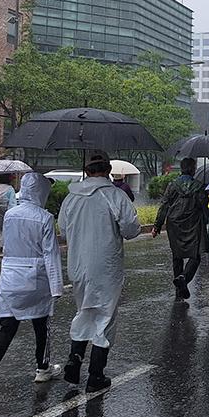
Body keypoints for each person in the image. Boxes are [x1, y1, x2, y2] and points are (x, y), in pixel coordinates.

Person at [0, 172, 63, 398]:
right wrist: (57, 287)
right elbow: (51, 254)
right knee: (41, 325)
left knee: (7, 328)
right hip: (36, 278)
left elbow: (6, 244)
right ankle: (43, 368)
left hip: (9, 278)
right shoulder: (45, 218)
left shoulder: (10, 215)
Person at [59, 151, 141, 393]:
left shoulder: (71, 197)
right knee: (105, 315)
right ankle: (96, 374)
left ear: (87, 171)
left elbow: (62, 229)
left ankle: (74, 360)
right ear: (108, 170)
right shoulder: (114, 196)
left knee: (84, 311)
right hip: (106, 267)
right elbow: (131, 229)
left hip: (77, 266)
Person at [153, 159, 209, 300]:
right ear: (193, 169)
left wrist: (157, 225)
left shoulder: (172, 185)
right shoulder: (198, 186)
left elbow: (164, 205)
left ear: (181, 168)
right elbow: (203, 206)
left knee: (177, 256)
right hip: (193, 223)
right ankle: (184, 278)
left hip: (174, 224)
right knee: (195, 255)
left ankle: (179, 291)